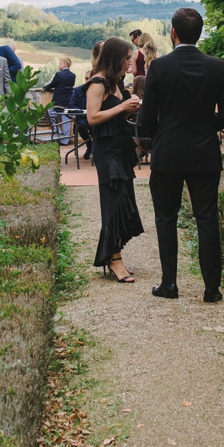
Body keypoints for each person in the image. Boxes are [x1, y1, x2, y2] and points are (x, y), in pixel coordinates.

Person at [138, 7, 224, 302]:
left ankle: (169, 285)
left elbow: (145, 118)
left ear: (173, 33)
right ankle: (212, 289)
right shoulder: (216, 66)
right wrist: (206, 128)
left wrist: (163, 134)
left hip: (168, 154)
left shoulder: (159, 67)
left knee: (166, 218)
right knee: (206, 218)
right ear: (200, 33)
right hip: (204, 154)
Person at [85, 37, 144, 283]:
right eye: (127, 57)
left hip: (121, 146)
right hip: (107, 151)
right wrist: (121, 108)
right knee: (113, 202)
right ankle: (114, 258)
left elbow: (116, 113)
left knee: (124, 200)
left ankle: (115, 254)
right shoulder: (97, 83)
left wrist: (131, 107)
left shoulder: (117, 82)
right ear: (115, 58)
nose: (129, 61)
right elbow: (92, 118)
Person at [42, 57, 77, 144]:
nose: (59, 65)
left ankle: (59, 133)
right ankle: (65, 140)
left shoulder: (59, 74)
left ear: (65, 64)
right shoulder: (73, 76)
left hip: (58, 101)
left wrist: (45, 86)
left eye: (60, 63)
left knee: (50, 116)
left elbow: (52, 84)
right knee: (66, 120)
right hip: (68, 100)